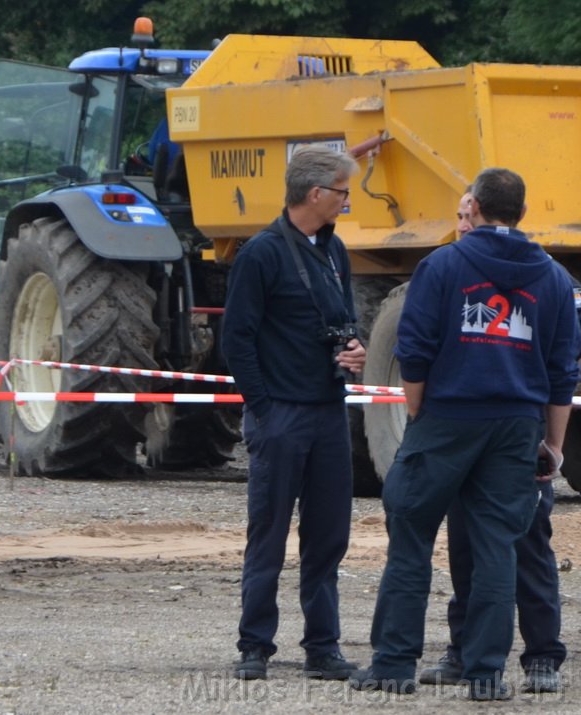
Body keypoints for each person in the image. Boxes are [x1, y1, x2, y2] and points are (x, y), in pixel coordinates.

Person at [350, 168, 581, 700]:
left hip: (447, 417)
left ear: (473, 206)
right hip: (515, 425)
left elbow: (414, 347)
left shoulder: (443, 265)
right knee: (498, 546)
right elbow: (562, 369)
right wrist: (554, 444)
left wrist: (418, 414)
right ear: (521, 213)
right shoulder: (551, 277)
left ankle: (393, 664)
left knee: (410, 538)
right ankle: (485, 674)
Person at [418, 191, 581, 694]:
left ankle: (542, 657)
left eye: (465, 215)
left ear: (482, 212)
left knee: (527, 543)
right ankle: (463, 650)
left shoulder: (538, 269)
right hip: (470, 430)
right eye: (455, 216)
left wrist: (535, 360)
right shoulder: (455, 268)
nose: (460, 225)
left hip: (518, 431)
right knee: (464, 544)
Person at [221, 145, 366, 681]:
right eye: (343, 193)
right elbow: (236, 340)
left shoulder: (335, 252)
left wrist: (352, 348)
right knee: (269, 533)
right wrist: (262, 408)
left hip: (328, 411)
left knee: (328, 535)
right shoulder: (261, 254)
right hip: (281, 414)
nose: (347, 202)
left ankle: (322, 647)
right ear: (315, 194)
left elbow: (344, 319)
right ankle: (255, 645)